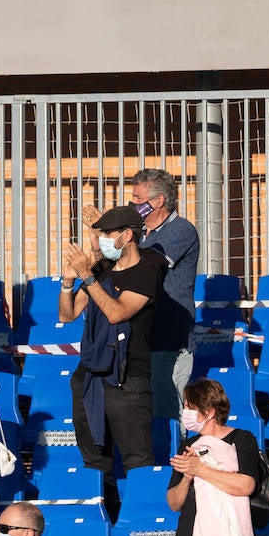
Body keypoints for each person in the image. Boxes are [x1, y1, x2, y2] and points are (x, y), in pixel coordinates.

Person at [61, 204, 162, 504]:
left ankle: (142, 530)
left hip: (128, 380)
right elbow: (68, 314)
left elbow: (117, 313)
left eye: (107, 233)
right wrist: (69, 282)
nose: (100, 238)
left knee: (137, 461)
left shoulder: (147, 272)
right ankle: (105, 528)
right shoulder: (102, 269)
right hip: (89, 379)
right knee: (95, 462)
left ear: (127, 235)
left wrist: (87, 276)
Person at [85, 169, 200, 421]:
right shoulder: (135, 233)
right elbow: (113, 265)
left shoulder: (182, 230)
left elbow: (149, 260)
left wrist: (110, 231)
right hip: (137, 340)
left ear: (158, 201)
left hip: (168, 339)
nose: (132, 203)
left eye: (137, 198)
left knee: (165, 414)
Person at [167, 378, 261, 536]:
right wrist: (187, 477)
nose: (185, 413)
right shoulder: (188, 445)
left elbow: (246, 485)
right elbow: (174, 502)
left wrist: (201, 469)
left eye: (189, 407)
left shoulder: (242, 439)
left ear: (208, 412)